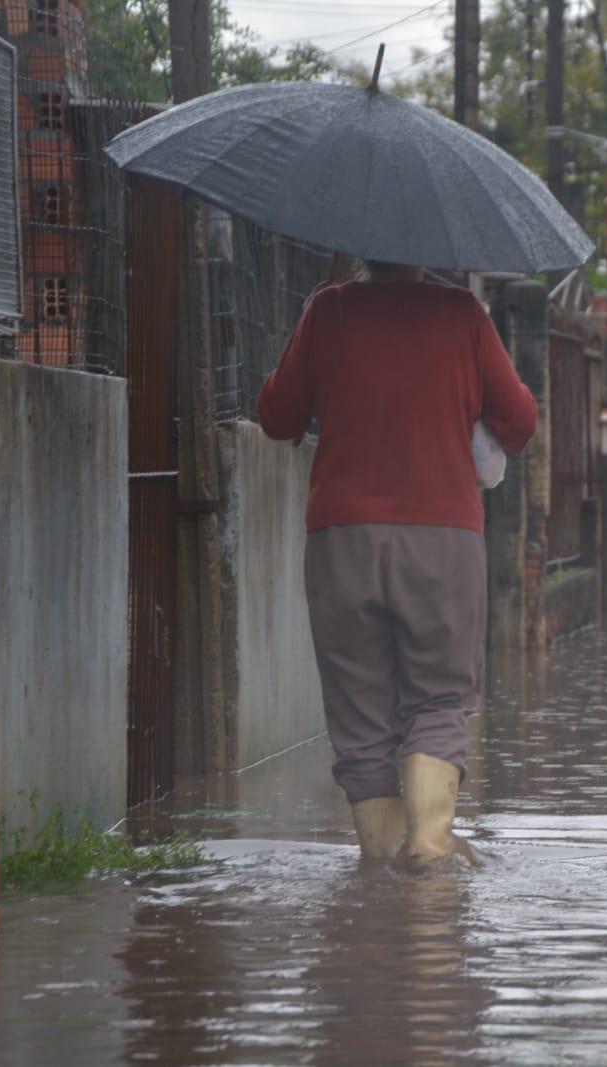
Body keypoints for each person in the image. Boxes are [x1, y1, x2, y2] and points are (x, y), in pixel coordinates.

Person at [256, 260, 537, 869]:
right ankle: (431, 847)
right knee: (437, 699)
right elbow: (520, 422)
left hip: (342, 538)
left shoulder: (327, 310)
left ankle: (380, 873)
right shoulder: (462, 313)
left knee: (359, 711)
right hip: (443, 537)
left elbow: (277, 417)